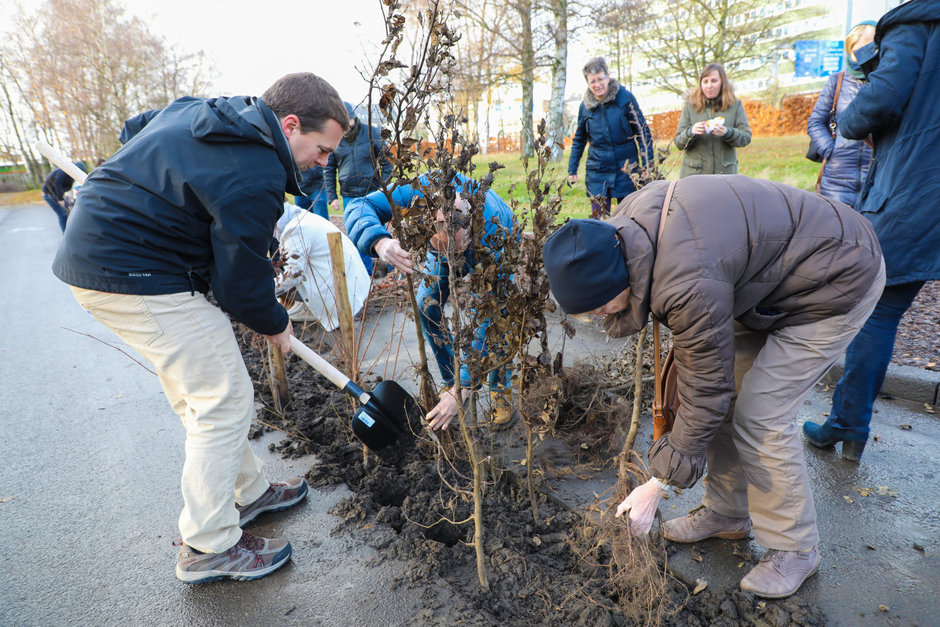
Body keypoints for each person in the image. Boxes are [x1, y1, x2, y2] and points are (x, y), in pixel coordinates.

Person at [51, 73, 348, 583]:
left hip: (110, 259)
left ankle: (248, 493)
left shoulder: (213, 113)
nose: (322, 163)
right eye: (321, 150)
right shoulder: (254, 173)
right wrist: (275, 324)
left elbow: (138, 126)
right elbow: (239, 282)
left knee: (202, 394)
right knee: (224, 397)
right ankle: (209, 544)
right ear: (291, 124)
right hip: (131, 272)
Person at [542, 175, 884, 598]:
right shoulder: (622, 237)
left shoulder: (684, 280)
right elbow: (710, 381)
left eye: (597, 308)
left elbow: (706, 389)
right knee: (728, 393)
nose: (597, 318)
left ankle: (795, 548)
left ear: (615, 283)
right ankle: (726, 513)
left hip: (837, 279)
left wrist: (659, 485)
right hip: (762, 283)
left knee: (760, 413)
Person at [803, 0, 940, 462]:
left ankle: (848, 424)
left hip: (916, 194)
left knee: (878, 311)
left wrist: (855, 115)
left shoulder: (915, 22)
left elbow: (875, 105)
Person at [344, 175, 516, 430]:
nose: (451, 260)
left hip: (490, 245)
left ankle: (500, 388)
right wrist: (379, 241)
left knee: (499, 320)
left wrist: (465, 386)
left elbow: (487, 319)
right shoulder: (417, 191)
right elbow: (358, 206)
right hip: (449, 243)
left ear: (469, 229)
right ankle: (451, 380)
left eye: (454, 251)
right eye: (441, 247)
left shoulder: (495, 234)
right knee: (427, 302)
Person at [568, 57, 654, 219]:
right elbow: (579, 139)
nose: (597, 85)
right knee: (598, 219)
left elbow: (642, 133)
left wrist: (648, 164)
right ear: (588, 83)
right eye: (592, 81)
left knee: (630, 217)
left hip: (626, 167)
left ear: (608, 77)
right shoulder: (585, 107)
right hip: (597, 170)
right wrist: (572, 168)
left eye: (600, 79)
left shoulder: (625, 98)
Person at [806, 22, 876, 207]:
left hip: (877, 181)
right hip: (836, 182)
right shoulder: (837, 80)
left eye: (867, 48)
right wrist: (830, 150)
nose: (861, 56)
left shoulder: (887, 81)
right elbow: (816, 122)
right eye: (856, 50)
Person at [274, 201, 370, 327]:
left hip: (341, 300)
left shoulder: (296, 230)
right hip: (354, 288)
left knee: (280, 281)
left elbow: (292, 276)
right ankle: (306, 306)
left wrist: (262, 290)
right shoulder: (300, 217)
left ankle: (316, 310)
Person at [324, 101, 393, 274]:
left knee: (379, 232)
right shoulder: (336, 138)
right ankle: (366, 274)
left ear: (355, 119)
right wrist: (332, 196)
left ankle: (391, 269)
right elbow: (329, 168)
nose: (346, 127)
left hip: (373, 192)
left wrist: (384, 187)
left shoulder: (371, 133)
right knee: (358, 235)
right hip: (348, 195)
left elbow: (387, 162)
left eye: (349, 122)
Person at [674, 63, 751, 178]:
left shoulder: (735, 105)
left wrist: (728, 133)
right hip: (694, 177)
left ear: (722, 82)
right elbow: (679, 143)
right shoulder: (690, 106)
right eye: (705, 81)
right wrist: (691, 132)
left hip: (725, 177)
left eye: (714, 81)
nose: (709, 86)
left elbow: (746, 137)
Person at [41, 162, 86, 232]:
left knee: (69, 214)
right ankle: (65, 234)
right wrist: (60, 199)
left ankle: (71, 232)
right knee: (62, 214)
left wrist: (61, 194)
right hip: (49, 195)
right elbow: (57, 183)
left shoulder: (71, 176)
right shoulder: (63, 171)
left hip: (58, 195)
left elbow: (68, 187)